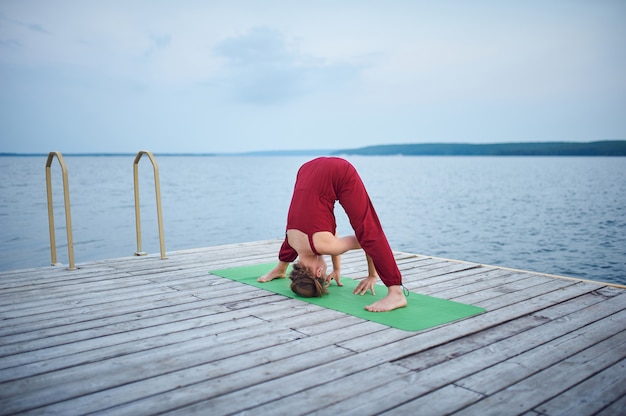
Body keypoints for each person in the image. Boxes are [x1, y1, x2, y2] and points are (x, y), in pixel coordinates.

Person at [258, 157, 407, 312]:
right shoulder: (293, 239)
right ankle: (281, 269)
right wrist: (337, 269)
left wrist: (372, 275)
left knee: (367, 229)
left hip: (339, 171)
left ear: (319, 272)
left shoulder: (326, 245)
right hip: (307, 169)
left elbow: (366, 241)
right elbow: (328, 237)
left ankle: (396, 293)